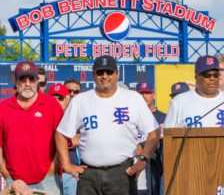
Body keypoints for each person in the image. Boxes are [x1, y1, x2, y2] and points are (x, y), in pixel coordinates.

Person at [55, 55, 160, 195]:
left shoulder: (132, 98)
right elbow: (61, 134)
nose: (105, 76)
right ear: (93, 75)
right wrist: (67, 165)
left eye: (109, 72)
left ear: (117, 74)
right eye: (100, 72)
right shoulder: (80, 101)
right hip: (89, 174)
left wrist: (144, 159)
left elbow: (154, 132)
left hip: (122, 173)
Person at [0, 61, 64, 194]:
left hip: (48, 180)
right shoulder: (3, 108)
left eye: (31, 79)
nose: (27, 84)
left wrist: (52, 169)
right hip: (15, 182)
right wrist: (8, 176)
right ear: (15, 81)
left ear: (37, 81)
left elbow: (61, 140)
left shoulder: (51, 104)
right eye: (22, 79)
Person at [165, 55, 224, 128]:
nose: (212, 78)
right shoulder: (179, 102)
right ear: (196, 76)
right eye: (207, 75)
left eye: (216, 75)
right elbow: (168, 135)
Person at [49, 83, 80, 195]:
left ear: (67, 100)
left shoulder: (75, 118)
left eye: (60, 98)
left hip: (71, 171)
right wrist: (70, 142)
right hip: (51, 172)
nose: (56, 101)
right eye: (53, 98)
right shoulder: (43, 117)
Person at [135, 82, 165, 195]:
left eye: (147, 93)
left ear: (154, 95)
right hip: (135, 164)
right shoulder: (132, 116)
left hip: (155, 166)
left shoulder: (163, 117)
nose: (144, 96)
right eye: (141, 93)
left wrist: (144, 147)